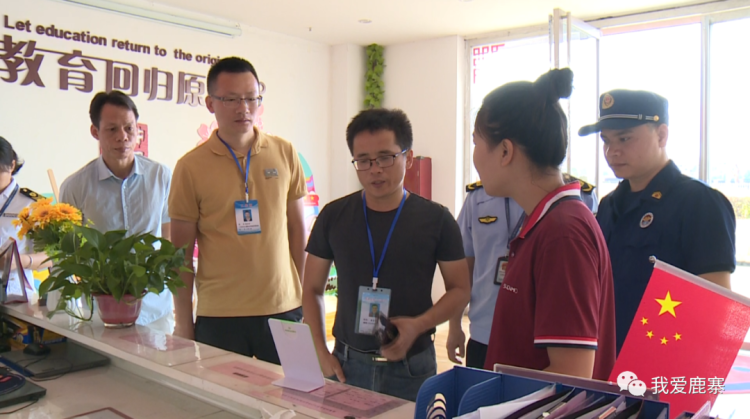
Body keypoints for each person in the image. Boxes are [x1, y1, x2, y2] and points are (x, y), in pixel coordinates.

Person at [302, 108, 471, 401]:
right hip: (346, 363)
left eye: (385, 157)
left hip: (411, 367)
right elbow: (312, 289)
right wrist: (320, 352)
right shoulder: (334, 216)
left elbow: (460, 289)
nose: (375, 169)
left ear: (408, 157)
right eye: (363, 161)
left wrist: (419, 325)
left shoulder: (437, 219)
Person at [473, 68, 615, 380]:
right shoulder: (547, 222)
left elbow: (572, 374)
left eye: (476, 143)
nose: (475, 157)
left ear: (505, 151)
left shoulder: (563, 234)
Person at [169, 57, 308, 364]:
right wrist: (183, 323)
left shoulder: (284, 152)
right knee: (222, 396)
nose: (243, 108)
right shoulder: (190, 167)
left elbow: (298, 229)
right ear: (210, 103)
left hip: (283, 309)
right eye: (231, 99)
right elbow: (180, 254)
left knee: (295, 393)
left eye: (251, 98)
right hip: (220, 315)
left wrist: (300, 296)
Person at [579, 89, 736, 354]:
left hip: (665, 361)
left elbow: (716, 309)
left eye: (624, 138)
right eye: (606, 141)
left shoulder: (699, 203)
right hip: (608, 361)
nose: (612, 152)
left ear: (662, 135)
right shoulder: (609, 206)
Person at [448, 174, 598, 369]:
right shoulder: (477, 198)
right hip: (484, 332)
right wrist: (454, 325)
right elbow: (465, 268)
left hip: (543, 340)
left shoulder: (577, 197)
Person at [59, 91, 174, 333]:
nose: (123, 137)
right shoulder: (76, 186)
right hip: (103, 313)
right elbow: (69, 252)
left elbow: (169, 235)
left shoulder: (161, 177)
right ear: (95, 132)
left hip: (155, 309)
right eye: (112, 129)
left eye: (129, 128)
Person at [0, 137, 53, 282]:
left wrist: (21, 261)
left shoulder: (33, 204)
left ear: (12, 165)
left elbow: (53, 255)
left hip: (14, 290)